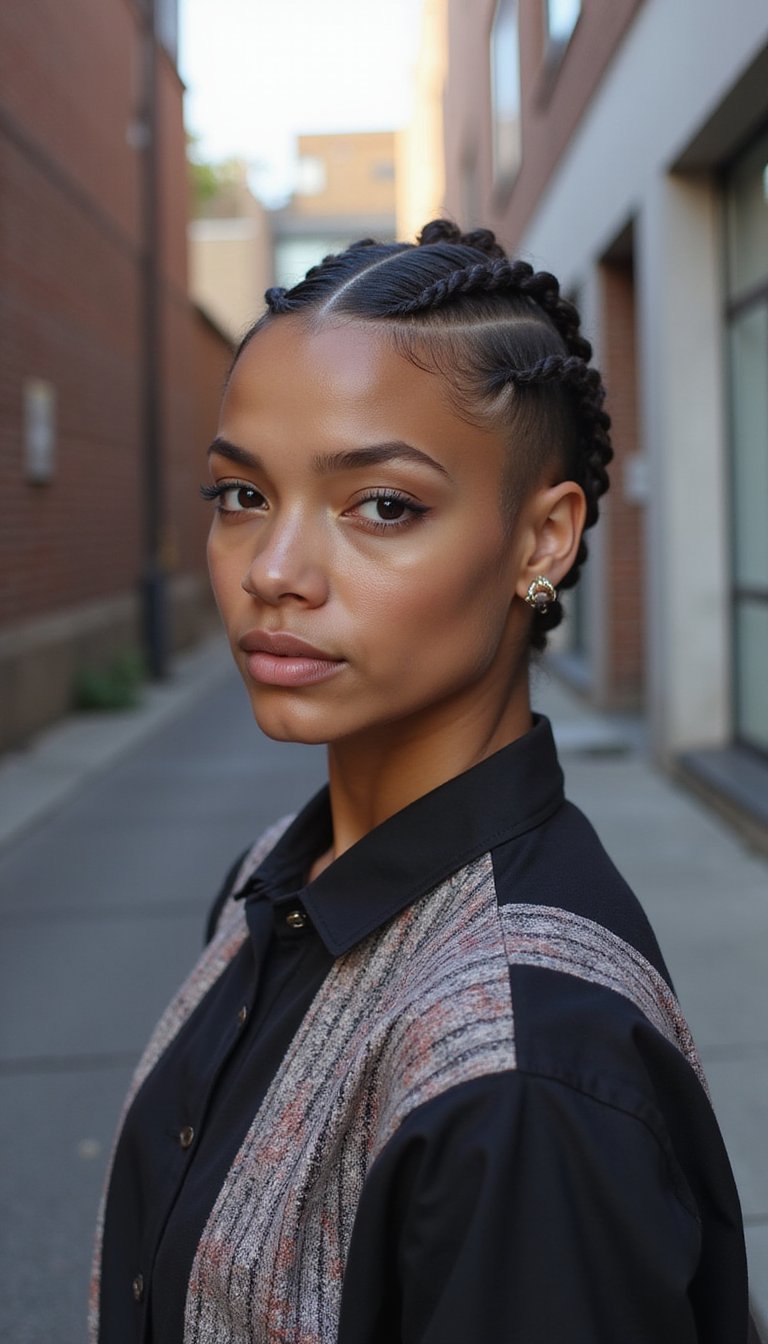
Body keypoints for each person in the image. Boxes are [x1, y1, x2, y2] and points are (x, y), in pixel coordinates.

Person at [91, 220, 751, 1343]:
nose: (275, 572)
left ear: (543, 540)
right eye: (240, 495)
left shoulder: (524, 1076)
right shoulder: (276, 874)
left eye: (381, 505)